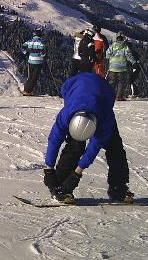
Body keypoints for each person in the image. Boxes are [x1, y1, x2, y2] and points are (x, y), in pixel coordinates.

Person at [43, 72, 134, 204]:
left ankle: (118, 188)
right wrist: (49, 169)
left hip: (104, 96)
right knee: (75, 145)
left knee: (115, 148)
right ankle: (60, 185)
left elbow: (93, 148)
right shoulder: (66, 114)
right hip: (73, 88)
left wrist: (77, 174)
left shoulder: (106, 120)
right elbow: (54, 140)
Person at [105, 32, 137, 101]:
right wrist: (134, 62)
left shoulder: (112, 46)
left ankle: (109, 96)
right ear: (123, 39)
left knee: (112, 82)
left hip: (112, 67)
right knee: (121, 82)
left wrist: (111, 58)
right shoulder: (125, 47)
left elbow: (107, 55)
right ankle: (119, 96)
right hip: (122, 68)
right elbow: (129, 56)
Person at [22, 28, 45, 96]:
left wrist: (26, 52)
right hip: (38, 62)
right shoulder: (41, 41)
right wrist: (44, 56)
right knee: (34, 78)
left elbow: (23, 47)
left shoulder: (29, 41)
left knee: (30, 77)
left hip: (30, 61)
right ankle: (28, 92)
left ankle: (26, 90)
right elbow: (43, 52)